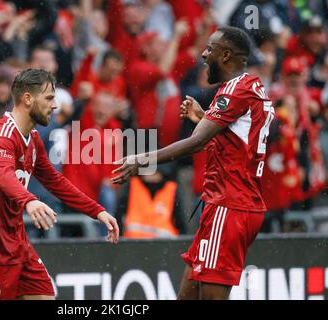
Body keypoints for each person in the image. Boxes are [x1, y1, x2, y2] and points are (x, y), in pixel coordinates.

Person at [112, 26, 274, 300]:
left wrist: (143, 159)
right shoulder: (252, 87)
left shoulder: (236, 91)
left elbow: (196, 142)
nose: (203, 53)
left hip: (229, 206)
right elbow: (234, 144)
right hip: (228, 204)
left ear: (225, 55)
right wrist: (203, 119)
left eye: (209, 49)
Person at [0, 69, 119, 300]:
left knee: (44, 296)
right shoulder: (0, 137)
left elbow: (55, 181)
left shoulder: (33, 139)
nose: (55, 105)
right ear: (27, 99)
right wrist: (30, 201)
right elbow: (5, 177)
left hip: (16, 243)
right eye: (49, 98)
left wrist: (97, 210)